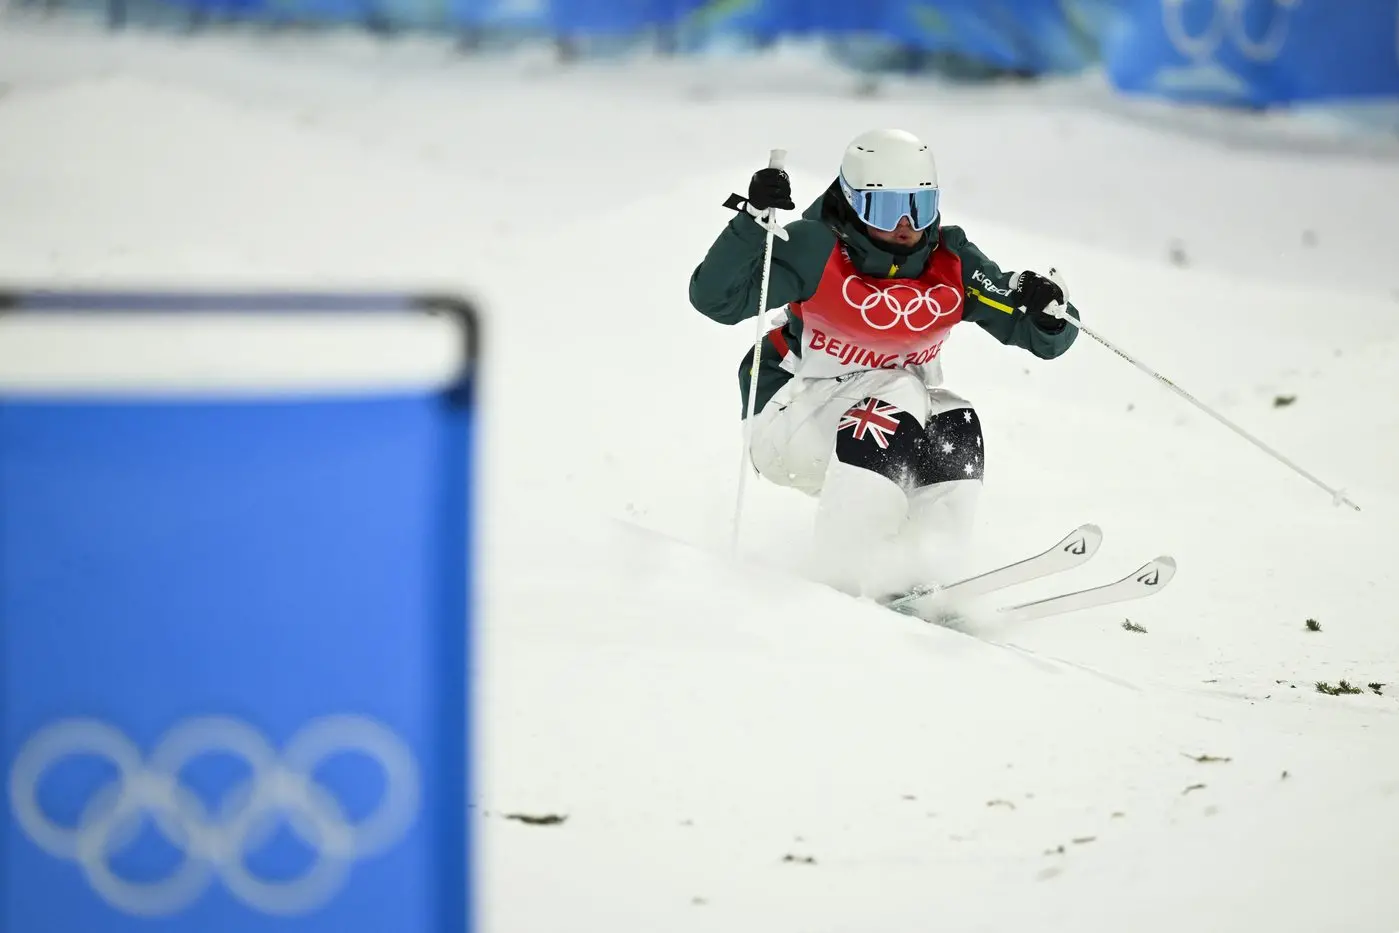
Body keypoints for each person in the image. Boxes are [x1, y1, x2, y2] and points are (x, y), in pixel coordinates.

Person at [687, 127, 1081, 600]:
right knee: (901, 391)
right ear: (852, 202)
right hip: (788, 416)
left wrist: (1046, 311)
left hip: (876, 432)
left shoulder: (950, 261)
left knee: (955, 419)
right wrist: (752, 223)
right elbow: (715, 300)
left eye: (920, 206)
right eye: (887, 208)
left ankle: (928, 569)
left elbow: (1038, 333)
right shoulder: (815, 247)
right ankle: (840, 572)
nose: (906, 225)